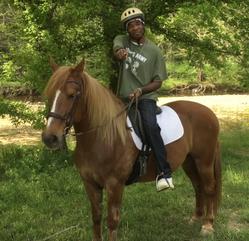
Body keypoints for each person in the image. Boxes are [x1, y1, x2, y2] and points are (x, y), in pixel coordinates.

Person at [113, 7, 174, 191]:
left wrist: (140, 90)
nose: (134, 28)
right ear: (127, 29)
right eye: (130, 25)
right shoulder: (122, 40)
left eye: (137, 23)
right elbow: (117, 49)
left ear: (143, 25)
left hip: (145, 98)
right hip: (122, 98)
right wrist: (120, 54)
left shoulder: (154, 51)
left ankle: (165, 173)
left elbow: (158, 82)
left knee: (150, 126)